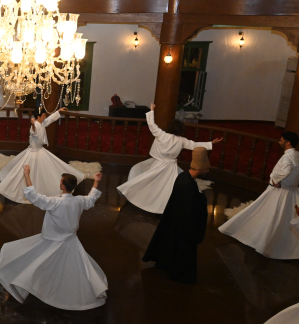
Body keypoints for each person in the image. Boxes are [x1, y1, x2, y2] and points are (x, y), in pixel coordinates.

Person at [0, 166, 107, 310]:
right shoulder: (78, 201)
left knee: (39, 262)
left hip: (51, 240)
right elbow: (91, 199)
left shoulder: (55, 202)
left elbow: (34, 196)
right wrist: (96, 181)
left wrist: (27, 175)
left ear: (62, 186)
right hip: (70, 241)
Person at [117, 104, 220, 214]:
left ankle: (145, 199)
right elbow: (195, 145)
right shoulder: (182, 140)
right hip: (170, 167)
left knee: (150, 181)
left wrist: (152, 110)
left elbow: (151, 124)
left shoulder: (162, 135)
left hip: (158, 164)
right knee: (168, 187)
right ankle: (163, 206)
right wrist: (210, 143)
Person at [219, 132, 299, 259]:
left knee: (268, 215)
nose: (280, 141)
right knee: (287, 218)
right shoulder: (297, 155)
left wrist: (275, 181)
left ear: (288, 142)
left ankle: (263, 241)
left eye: (282, 139)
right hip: (293, 193)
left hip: (281, 193)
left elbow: (285, 171)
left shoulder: (287, 157)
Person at [142, 147, 210, 284]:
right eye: (206, 169)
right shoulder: (188, 186)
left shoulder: (183, 176)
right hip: (182, 228)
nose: (207, 171)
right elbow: (191, 210)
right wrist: (202, 199)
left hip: (174, 223)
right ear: (200, 169)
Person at [0, 108, 85, 203]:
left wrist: (58, 111)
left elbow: (50, 119)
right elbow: (33, 131)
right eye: (43, 115)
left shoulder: (42, 123)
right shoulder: (35, 126)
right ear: (38, 117)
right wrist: (33, 124)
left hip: (40, 151)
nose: (45, 117)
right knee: (31, 172)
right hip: (33, 153)